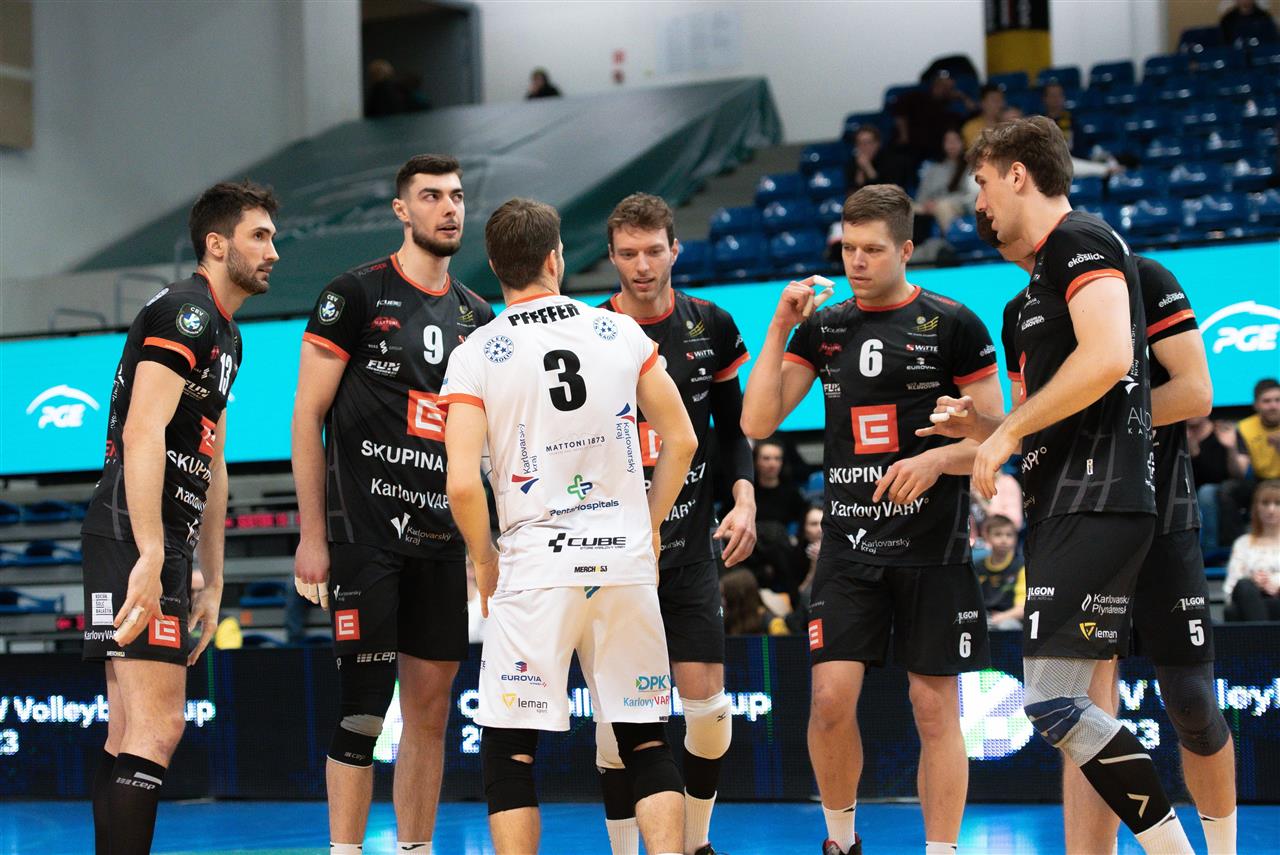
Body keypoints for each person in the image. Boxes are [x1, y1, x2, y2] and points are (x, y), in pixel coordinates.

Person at [936, 116, 1195, 853]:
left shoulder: (1081, 238)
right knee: (1060, 706)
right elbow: (1047, 417)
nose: (978, 203)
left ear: (1018, 174)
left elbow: (1111, 356)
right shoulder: (1030, 295)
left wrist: (1007, 433)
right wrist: (988, 426)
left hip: (1101, 498)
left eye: (982, 183)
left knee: (1054, 701)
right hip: (1066, 504)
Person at [966, 206, 1238, 853]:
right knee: (1080, 705)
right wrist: (978, 429)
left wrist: (1092, 405)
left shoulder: (1145, 276)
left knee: (1192, 703)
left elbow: (1196, 392)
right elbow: (1033, 422)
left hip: (1159, 511)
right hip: (1075, 517)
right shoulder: (1019, 312)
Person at [742, 184, 1004, 855]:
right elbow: (757, 421)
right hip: (848, 545)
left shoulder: (956, 324)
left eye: (873, 250)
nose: (856, 262)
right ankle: (840, 841)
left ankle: (942, 850)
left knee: (932, 707)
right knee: (830, 700)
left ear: (907, 249)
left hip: (931, 547)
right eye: (848, 248)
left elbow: (1001, 434)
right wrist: (778, 326)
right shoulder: (823, 327)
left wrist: (938, 459)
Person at [440, 197, 697, 855]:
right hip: (623, 562)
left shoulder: (477, 351)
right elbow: (683, 440)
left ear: (494, 265)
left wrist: (485, 560)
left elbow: (462, 483)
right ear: (556, 258)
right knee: (646, 740)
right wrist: (650, 524)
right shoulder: (619, 332)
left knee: (510, 752)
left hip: (536, 567)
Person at [291, 154, 495, 855]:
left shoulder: (479, 315)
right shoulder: (354, 294)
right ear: (402, 211)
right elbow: (307, 417)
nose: (449, 208)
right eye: (431, 196)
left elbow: (481, 445)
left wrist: (483, 545)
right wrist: (312, 535)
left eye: (457, 196)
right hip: (365, 536)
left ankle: (416, 849)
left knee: (430, 715)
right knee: (362, 713)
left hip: (440, 542)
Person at [81, 181, 278, 855]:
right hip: (133, 531)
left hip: (151, 537)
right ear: (217, 245)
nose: (273, 252)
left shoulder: (228, 334)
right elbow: (142, 430)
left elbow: (211, 460)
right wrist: (149, 551)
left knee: (127, 731)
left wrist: (213, 578)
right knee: (158, 728)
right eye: (259, 236)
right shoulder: (186, 313)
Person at [596, 193, 756, 855]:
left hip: (689, 550)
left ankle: (695, 843)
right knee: (617, 724)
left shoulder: (709, 324)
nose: (642, 265)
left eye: (653, 251)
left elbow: (733, 428)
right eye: (628, 253)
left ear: (675, 249)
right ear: (611, 256)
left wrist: (744, 497)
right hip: (613, 555)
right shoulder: (589, 332)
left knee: (709, 710)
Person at [1187, 415, 1251, 552]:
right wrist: (1191, 454)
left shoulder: (1224, 431)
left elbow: (1239, 473)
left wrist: (1231, 448)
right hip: (1187, 489)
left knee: (1207, 492)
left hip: (1221, 489)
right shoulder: (1176, 435)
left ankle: (1211, 551)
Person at [1224, 479, 1280, 621]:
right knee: (1245, 586)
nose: (1271, 509)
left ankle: (1261, 634)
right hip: (1250, 600)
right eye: (1265, 503)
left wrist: (1276, 583)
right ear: (1256, 507)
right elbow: (1230, 589)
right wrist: (1253, 581)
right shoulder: (1242, 543)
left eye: (1277, 503)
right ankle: (1263, 633)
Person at [893, 71, 971, 167]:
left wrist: (963, 97)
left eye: (948, 87)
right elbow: (899, 111)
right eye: (941, 84)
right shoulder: (917, 97)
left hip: (936, 151)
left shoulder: (951, 111)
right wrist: (903, 134)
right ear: (935, 83)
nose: (944, 89)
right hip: (911, 146)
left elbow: (973, 112)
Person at [912, 128, 977, 243]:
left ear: (963, 143)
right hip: (928, 206)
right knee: (906, 208)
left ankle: (950, 244)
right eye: (948, 141)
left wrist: (937, 203)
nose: (952, 145)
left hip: (956, 205)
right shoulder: (933, 169)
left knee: (943, 206)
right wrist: (926, 204)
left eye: (955, 140)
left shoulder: (970, 167)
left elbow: (969, 196)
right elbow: (921, 195)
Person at [973, 515, 1025, 629]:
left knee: (1005, 626)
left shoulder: (1021, 566)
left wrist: (999, 618)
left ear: (1016, 538)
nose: (1004, 540)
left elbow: (1022, 609)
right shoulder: (977, 567)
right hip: (983, 618)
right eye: (998, 534)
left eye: (1009, 535)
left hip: (1010, 620)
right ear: (987, 536)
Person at [844, 125, 913, 196]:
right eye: (860, 143)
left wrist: (868, 168)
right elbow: (851, 194)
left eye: (868, 142)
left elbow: (890, 193)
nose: (864, 147)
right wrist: (860, 171)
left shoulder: (892, 161)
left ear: (878, 143)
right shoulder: (853, 163)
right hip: (864, 201)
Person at [720, 569, 789, 636]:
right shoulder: (726, 621)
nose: (722, 602)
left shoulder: (774, 625)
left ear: (739, 600)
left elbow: (782, 644)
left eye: (725, 596)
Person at [961, 84, 1006, 149]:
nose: (1001, 104)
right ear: (982, 103)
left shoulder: (1008, 127)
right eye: (995, 100)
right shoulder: (970, 128)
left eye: (1001, 100)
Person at [1040, 82, 1072, 149]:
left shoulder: (1073, 122)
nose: (1056, 99)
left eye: (1059, 95)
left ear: (1064, 98)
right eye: (1052, 95)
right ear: (1044, 99)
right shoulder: (1039, 123)